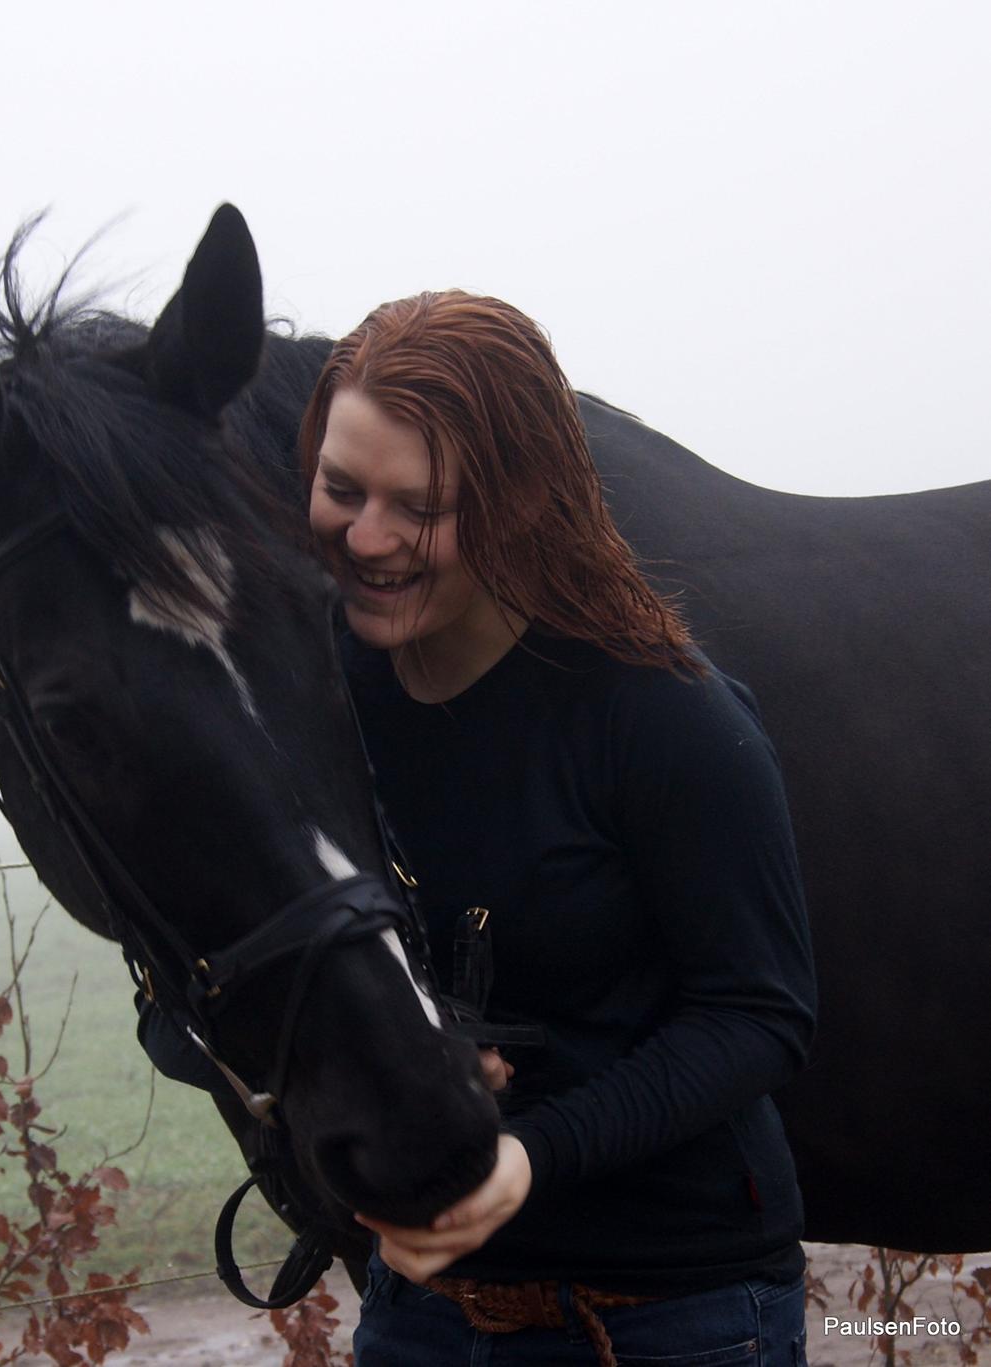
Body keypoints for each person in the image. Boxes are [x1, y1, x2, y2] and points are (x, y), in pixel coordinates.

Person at [297, 289, 816, 1366]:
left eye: (419, 506)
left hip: (671, 1317)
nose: (368, 535)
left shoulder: (667, 716)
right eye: (342, 488)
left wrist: (529, 1155)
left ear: (521, 499)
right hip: (419, 1318)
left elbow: (759, 1015)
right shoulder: (313, 697)